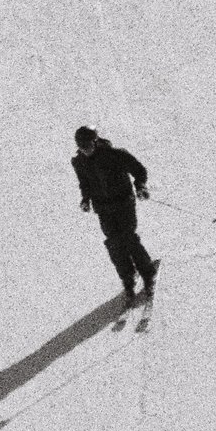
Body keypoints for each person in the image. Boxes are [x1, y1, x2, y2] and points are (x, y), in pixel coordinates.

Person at [72, 126, 157, 300]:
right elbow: (85, 184)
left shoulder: (116, 154)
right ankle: (128, 278)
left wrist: (140, 186)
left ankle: (148, 273)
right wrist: (85, 199)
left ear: (95, 142)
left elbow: (139, 170)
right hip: (103, 208)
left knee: (128, 237)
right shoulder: (79, 162)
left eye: (87, 146)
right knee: (114, 244)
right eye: (81, 147)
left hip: (124, 202)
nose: (85, 150)